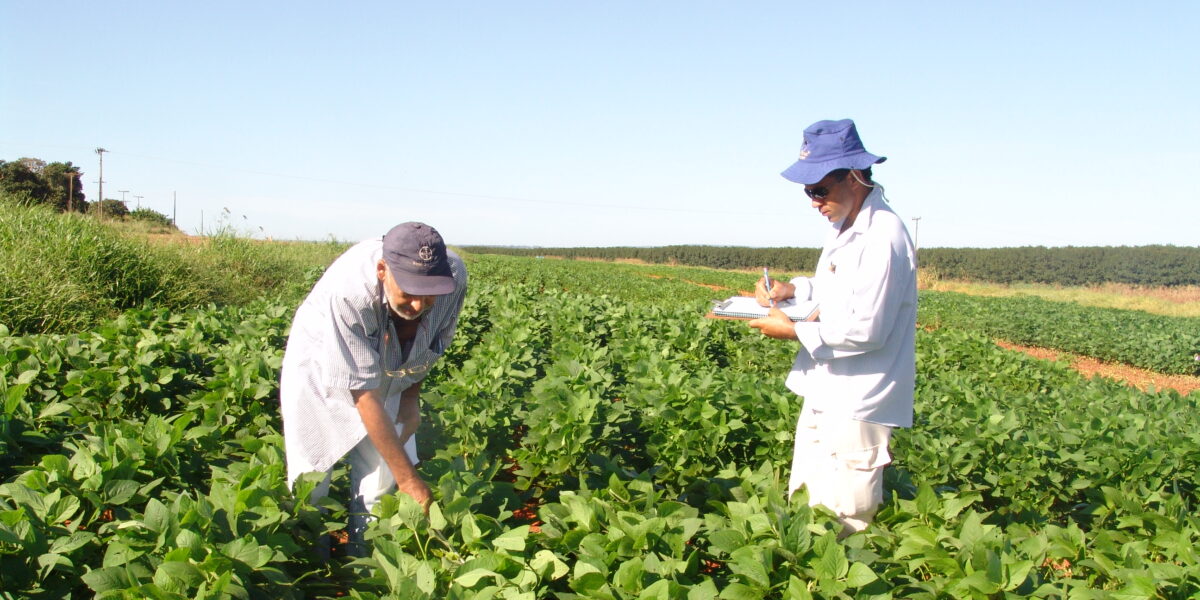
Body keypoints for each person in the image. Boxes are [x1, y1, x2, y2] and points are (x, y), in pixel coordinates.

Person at [748, 119, 917, 533]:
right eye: (808, 191)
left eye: (819, 189)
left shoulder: (883, 235)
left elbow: (866, 329)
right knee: (808, 501)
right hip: (828, 387)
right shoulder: (847, 223)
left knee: (846, 516)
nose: (813, 201)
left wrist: (792, 331)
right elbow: (835, 288)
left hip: (859, 397)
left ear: (855, 176)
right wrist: (793, 288)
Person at [280, 221, 467, 555]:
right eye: (408, 294)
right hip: (321, 361)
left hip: (394, 366)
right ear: (383, 270)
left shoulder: (453, 279)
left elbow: (432, 342)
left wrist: (410, 396)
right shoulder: (350, 291)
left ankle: (362, 560)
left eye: (429, 296)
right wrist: (411, 481)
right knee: (313, 475)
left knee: (382, 476)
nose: (419, 305)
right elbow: (364, 395)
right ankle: (313, 562)